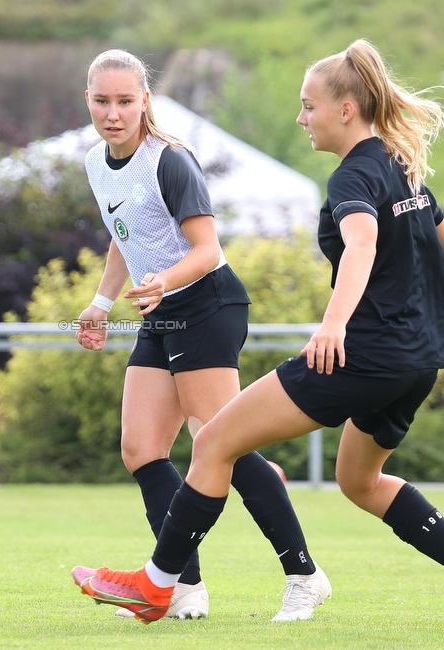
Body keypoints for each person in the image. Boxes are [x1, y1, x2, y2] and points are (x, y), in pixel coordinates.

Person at [72, 40, 444, 632]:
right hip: (419, 360)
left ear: (345, 109)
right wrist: (404, 309)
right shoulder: (402, 167)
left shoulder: (352, 179)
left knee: (213, 443)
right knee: (359, 482)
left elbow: (362, 243)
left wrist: (337, 324)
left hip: (355, 352)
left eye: (308, 106)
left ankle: (161, 586)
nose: (300, 117)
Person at [71, 48, 332, 622]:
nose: (113, 113)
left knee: (225, 448)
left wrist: (162, 280)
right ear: (87, 101)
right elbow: (125, 233)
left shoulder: (171, 161)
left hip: (207, 305)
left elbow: (209, 250)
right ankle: (182, 587)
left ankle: (304, 574)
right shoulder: (96, 162)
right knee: (141, 450)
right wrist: (99, 303)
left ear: (145, 101)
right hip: (160, 313)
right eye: (101, 101)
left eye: (124, 100)